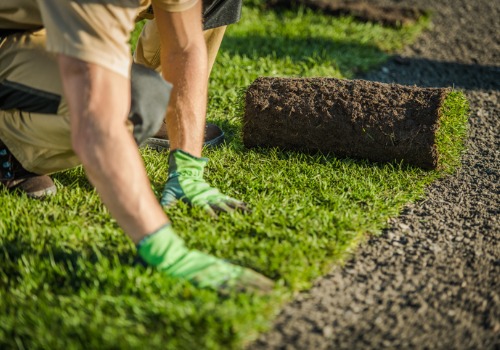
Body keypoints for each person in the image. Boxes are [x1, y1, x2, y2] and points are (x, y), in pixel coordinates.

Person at [0, 0, 273, 294]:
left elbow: (183, 48)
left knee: (137, 98)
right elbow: (96, 121)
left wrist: (188, 169)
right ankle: (12, 146)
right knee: (135, 101)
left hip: (45, 24)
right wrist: (165, 250)